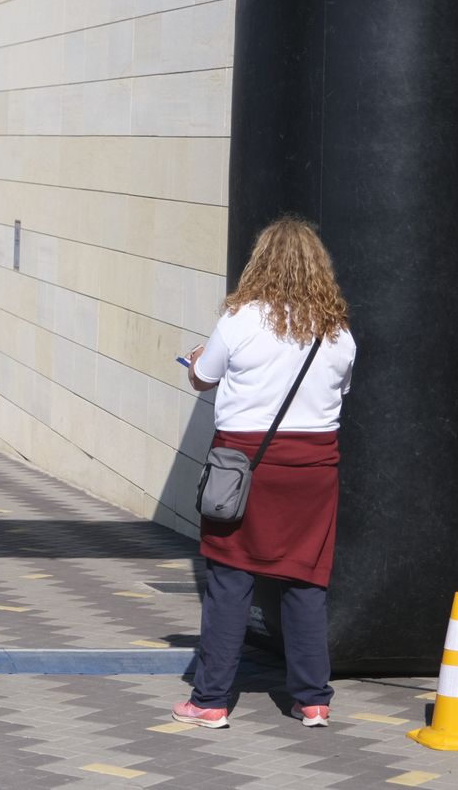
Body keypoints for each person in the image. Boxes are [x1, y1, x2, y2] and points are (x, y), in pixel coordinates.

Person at [174, 215, 356, 731]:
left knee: (230, 579)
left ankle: (210, 701)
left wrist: (194, 360)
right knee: (305, 580)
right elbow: (338, 396)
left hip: (243, 466)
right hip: (315, 471)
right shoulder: (337, 330)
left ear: (261, 263)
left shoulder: (240, 320)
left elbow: (202, 379)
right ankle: (313, 700)